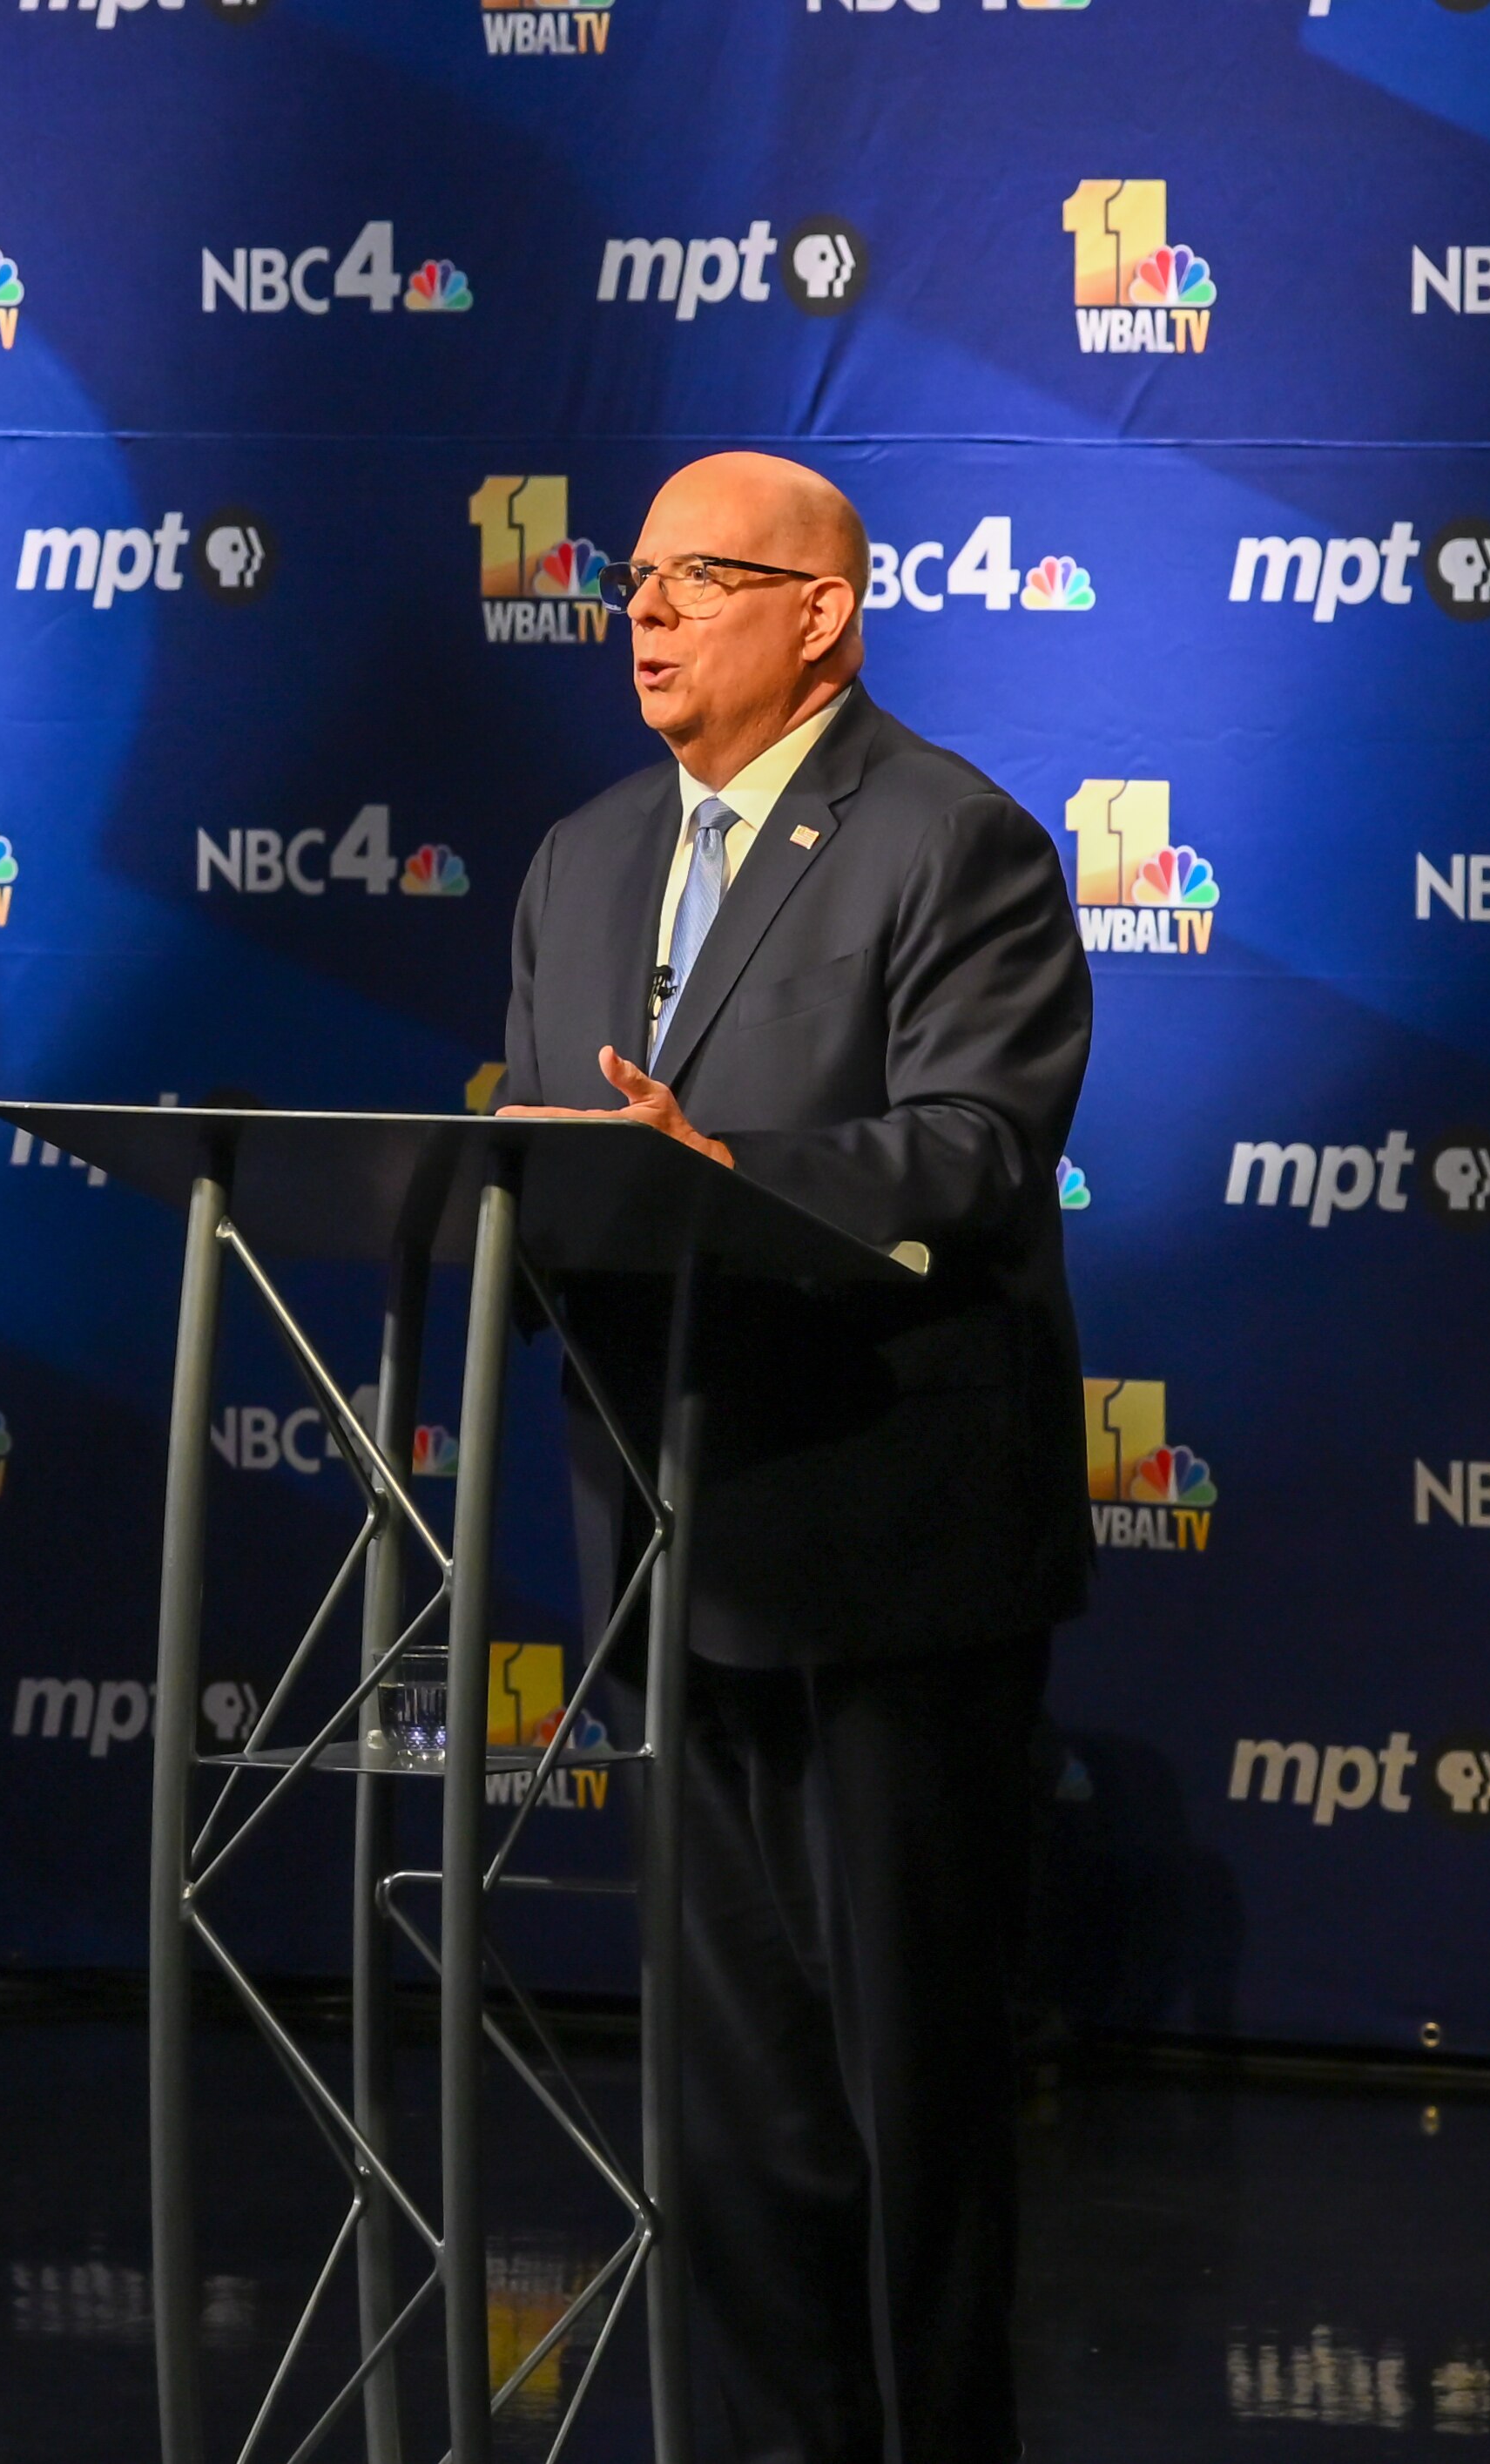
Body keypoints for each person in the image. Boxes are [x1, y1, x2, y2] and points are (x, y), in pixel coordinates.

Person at [494, 451, 1091, 2463]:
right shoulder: (579, 859)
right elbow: (548, 1163)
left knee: (902, 2093)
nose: (641, 613)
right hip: (670, 1554)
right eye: (629, 580)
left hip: (886, 1540)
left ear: (820, 613)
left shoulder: (954, 840)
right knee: (731, 2103)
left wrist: (724, 1171)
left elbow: (970, 1150)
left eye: (696, 579)